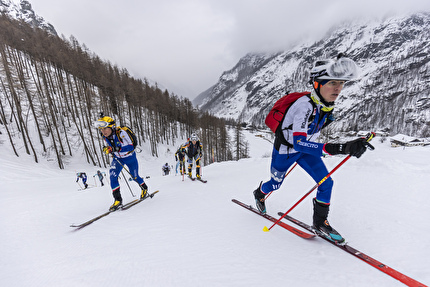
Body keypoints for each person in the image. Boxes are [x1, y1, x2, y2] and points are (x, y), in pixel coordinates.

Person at [253, 54, 373, 244]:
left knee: (326, 183)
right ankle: (259, 193)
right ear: (317, 84)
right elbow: (298, 143)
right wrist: (340, 148)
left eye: (341, 83)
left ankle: (319, 223)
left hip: (307, 151)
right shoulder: (304, 106)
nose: (338, 88)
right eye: (332, 83)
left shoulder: (325, 105)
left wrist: (351, 144)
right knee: (275, 184)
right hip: (286, 152)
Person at [94, 115, 149, 211]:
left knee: (135, 176)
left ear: (112, 127)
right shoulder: (104, 136)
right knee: (112, 176)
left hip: (130, 157)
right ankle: (118, 200)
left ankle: (144, 188)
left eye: (105, 128)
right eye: (101, 129)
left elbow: (131, 146)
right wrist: (108, 149)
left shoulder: (122, 133)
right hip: (118, 159)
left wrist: (116, 149)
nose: (103, 131)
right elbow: (111, 146)